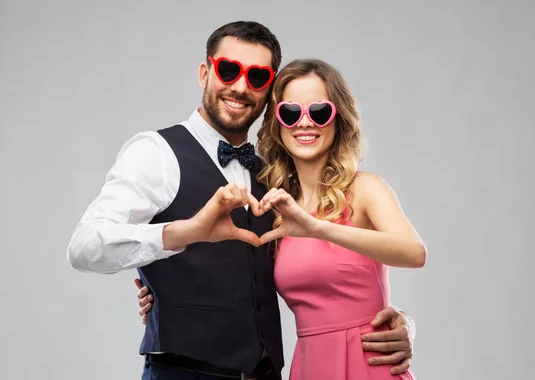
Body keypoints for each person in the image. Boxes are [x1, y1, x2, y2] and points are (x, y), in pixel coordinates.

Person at [67, 21, 416, 380]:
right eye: (228, 70)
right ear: (205, 73)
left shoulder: (274, 183)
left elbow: (325, 275)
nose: (239, 86)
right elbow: (83, 247)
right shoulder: (156, 153)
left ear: (269, 94)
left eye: (257, 77)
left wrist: (396, 320)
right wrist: (182, 235)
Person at [138, 58, 425, 379]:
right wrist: (162, 293)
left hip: (368, 366)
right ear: (277, 122)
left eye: (319, 111)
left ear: (338, 118)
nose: (305, 123)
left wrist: (405, 321)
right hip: (308, 367)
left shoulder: (365, 189)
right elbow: (233, 272)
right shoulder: (273, 207)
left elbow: (414, 251)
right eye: (290, 113)